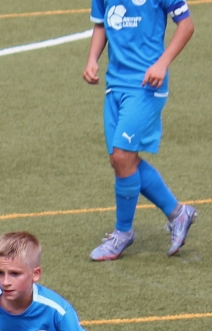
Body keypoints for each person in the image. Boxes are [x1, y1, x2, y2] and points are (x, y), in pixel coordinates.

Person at [85, 0, 198, 261]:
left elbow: (186, 25)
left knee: (122, 156)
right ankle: (178, 213)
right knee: (122, 160)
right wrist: (92, 59)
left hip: (147, 85)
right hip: (115, 85)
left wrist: (162, 63)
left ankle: (123, 232)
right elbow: (101, 24)